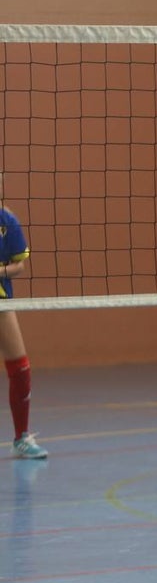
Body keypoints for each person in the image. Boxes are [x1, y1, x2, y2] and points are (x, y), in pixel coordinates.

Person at [0, 172, 41, 460]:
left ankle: (22, 437)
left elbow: (19, 267)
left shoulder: (6, 221)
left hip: (1, 301)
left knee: (21, 368)